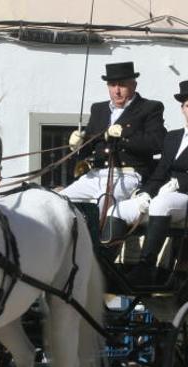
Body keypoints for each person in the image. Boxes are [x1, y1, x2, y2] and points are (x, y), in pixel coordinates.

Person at [112, 79, 188, 285]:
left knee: (161, 204)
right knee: (118, 210)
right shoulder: (172, 137)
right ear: (182, 109)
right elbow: (160, 172)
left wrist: (179, 183)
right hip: (169, 196)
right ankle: (106, 265)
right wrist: (145, 193)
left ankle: (146, 267)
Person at [63, 62, 166, 240]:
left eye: (122, 85)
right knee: (60, 201)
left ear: (134, 85)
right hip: (95, 174)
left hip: (128, 175)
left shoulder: (150, 108)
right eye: (112, 85)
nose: (117, 91)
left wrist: (124, 136)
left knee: (103, 204)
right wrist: (78, 144)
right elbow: (89, 148)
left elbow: (157, 142)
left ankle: (101, 252)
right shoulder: (99, 109)